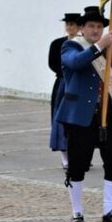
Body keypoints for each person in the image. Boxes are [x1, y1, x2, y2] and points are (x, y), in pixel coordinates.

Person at [55, 6, 112, 222]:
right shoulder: (70, 46)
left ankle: (109, 210)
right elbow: (76, 63)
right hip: (80, 117)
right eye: (91, 26)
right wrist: (99, 46)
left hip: (108, 116)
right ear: (81, 29)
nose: (96, 30)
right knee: (78, 166)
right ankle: (77, 212)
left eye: (99, 27)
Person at [49, 12, 81, 169]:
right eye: (67, 24)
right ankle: (65, 155)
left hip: (80, 84)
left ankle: (81, 153)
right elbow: (52, 63)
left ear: (79, 27)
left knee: (80, 119)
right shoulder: (57, 44)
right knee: (60, 119)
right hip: (63, 83)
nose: (70, 27)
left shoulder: (84, 44)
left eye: (73, 24)